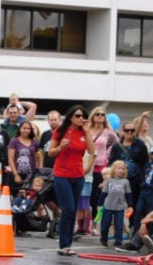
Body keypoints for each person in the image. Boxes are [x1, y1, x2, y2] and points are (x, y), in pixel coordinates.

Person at [49, 104, 95, 256]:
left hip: (78, 175)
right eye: (78, 116)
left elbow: (91, 151)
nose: (81, 118)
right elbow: (50, 153)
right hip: (62, 174)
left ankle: (67, 243)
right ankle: (64, 244)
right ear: (70, 117)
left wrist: (88, 133)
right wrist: (61, 147)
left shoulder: (84, 132)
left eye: (83, 116)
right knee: (68, 209)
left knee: (73, 210)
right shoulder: (60, 131)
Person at [108, 119, 148, 221]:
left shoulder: (140, 144)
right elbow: (111, 163)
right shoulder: (117, 146)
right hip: (119, 180)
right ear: (123, 131)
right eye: (127, 130)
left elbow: (145, 162)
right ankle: (119, 227)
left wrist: (144, 178)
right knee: (117, 203)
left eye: (132, 130)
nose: (129, 132)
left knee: (133, 203)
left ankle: (132, 225)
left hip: (135, 179)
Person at [87, 107, 117, 235]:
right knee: (85, 197)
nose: (100, 116)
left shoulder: (107, 131)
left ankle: (94, 224)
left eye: (102, 115)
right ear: (93, 116)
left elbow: (115, 143)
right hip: (87, 166)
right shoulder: (87, 129)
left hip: (101, 167)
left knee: (97, 198)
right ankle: (83, 225)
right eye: (97, 114)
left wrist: (108, 154)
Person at [98, 160, 133, 250]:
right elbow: (104, 193)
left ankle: (118, 242)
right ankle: (104, 239)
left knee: (119, 225)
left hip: (120, 207)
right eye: (119, 168)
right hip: (108, 206)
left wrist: (130, 206)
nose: (121, 170)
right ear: (114, 169)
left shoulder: (126, 182)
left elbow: (128, 195)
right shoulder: (109, 181)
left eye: (123, 168)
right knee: (105, 224)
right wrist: (99, 204)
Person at [7, 120, 41, 199]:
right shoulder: (14, 141)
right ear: (20, 129)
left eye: (28, 128)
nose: (26, 130)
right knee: (17, 198)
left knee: (29, 198)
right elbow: (10, 158)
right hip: (17, 174)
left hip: (30, 175)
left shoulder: (34, 143)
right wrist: (16, 175)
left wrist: (36, 174)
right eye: (24, 128)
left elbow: (36, 159)